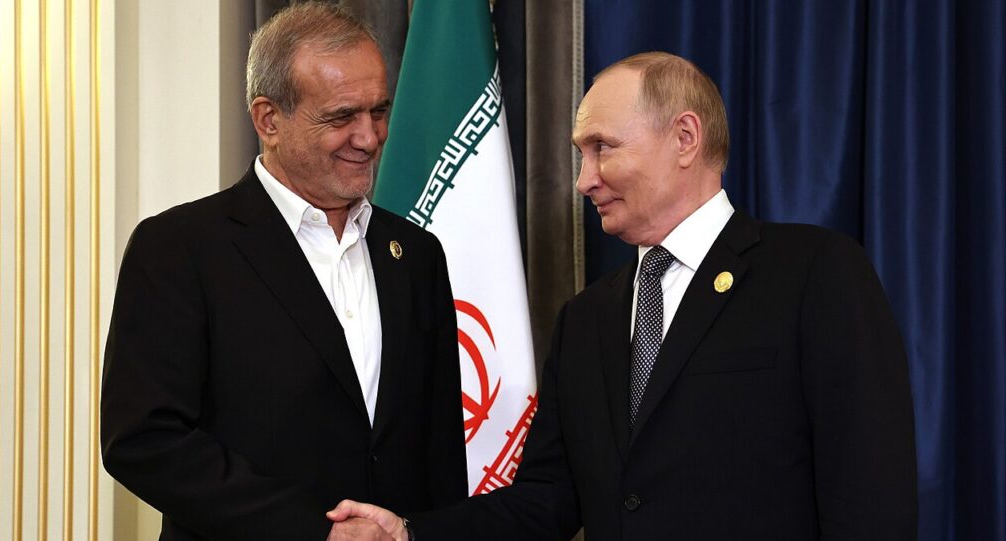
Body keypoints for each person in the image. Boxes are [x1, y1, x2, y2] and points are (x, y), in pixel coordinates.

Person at [327, 52, 917, 540]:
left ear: (685, 138)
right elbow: (547, 501)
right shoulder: (586, 320)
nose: (584, 180)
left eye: (602, 147)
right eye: (581, 155)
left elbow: (870, 495)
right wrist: (409, 533)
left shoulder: (813, 273)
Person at [100, 4, 466, 540]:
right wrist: (314, 531)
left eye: (378, 111)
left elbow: (439, 447)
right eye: (342, 117)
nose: (369, 137)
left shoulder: (416, 254)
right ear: (268, 120)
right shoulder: (180, 249)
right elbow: (144, 440)